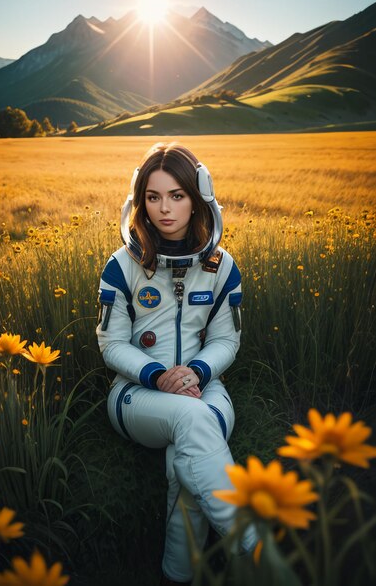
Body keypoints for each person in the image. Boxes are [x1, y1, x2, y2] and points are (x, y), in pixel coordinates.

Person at [96, 142, 257, 585]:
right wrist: (157, 375)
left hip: (207, 390)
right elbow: (111, 345)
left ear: (198, 196)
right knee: (193, 420)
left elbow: (226, 340)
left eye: (176, 195)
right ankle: (255, 551)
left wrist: (198, 372)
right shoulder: (122, 265)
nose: (164, 209)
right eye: (153, 197)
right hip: (134, 395)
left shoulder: (222, 266)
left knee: (183, 461)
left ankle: (177, 574)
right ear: (140, 201)